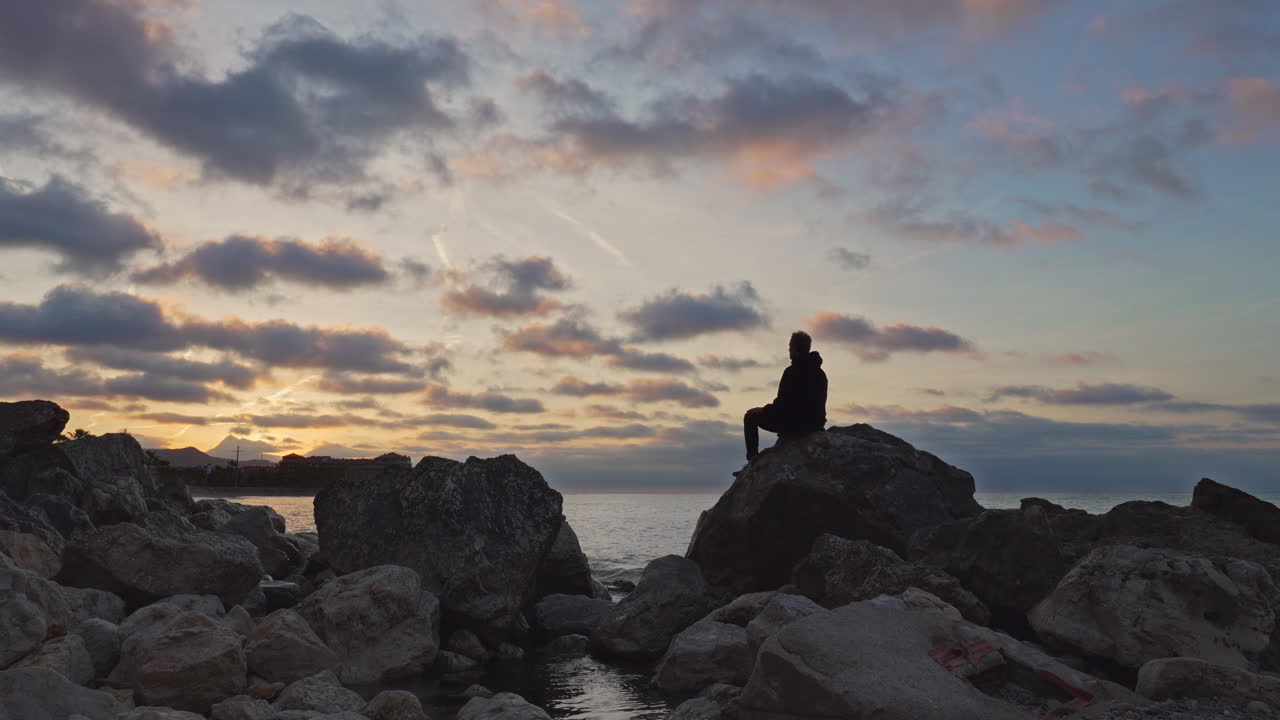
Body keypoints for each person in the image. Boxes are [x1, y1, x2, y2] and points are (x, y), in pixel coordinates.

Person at [742, 331, 827, 463]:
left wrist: (763, 410)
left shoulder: (792, 372)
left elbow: (783, 406)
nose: (789, 352)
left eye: (790, 348)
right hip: (814, 424)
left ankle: (752, 460)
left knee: (750, 417)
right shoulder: (821, 373)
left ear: (796, 349)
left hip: (795, 424)